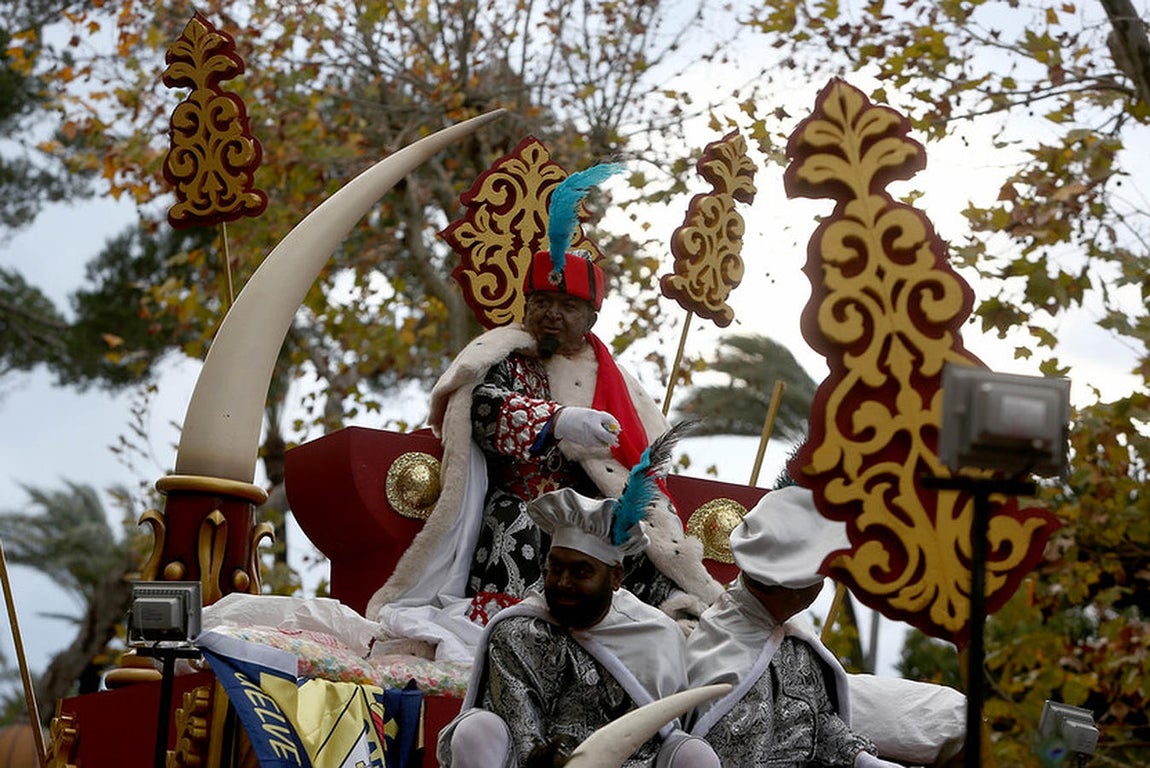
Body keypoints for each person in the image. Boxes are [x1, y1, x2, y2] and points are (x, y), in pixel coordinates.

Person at [365, 166, 720, 660]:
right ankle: (510, 634)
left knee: (640, 551)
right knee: (517, 522)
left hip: (596, 518)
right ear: (526, 306)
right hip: (523, 509)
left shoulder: (618, 384)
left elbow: (641, 467)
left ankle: (663, 633)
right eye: (542, 302)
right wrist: (557, 421)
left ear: (591, 318)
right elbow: (486, 415)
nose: (552, 314)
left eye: (567, 306)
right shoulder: (504, 358)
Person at [437, 436, 721, 767]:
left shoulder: (655, 638)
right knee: (476, 728)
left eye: (581, 571)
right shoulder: (518, 632)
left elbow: (651, 745)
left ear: (615, 577)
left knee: (693, 753)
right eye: (555, 568)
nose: (563, 582)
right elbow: (518, 730)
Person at [685, 485, 966, 767]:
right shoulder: (725, 672)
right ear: (794, 590)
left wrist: (860, 758)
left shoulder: (782, 627)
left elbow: (816, 719)